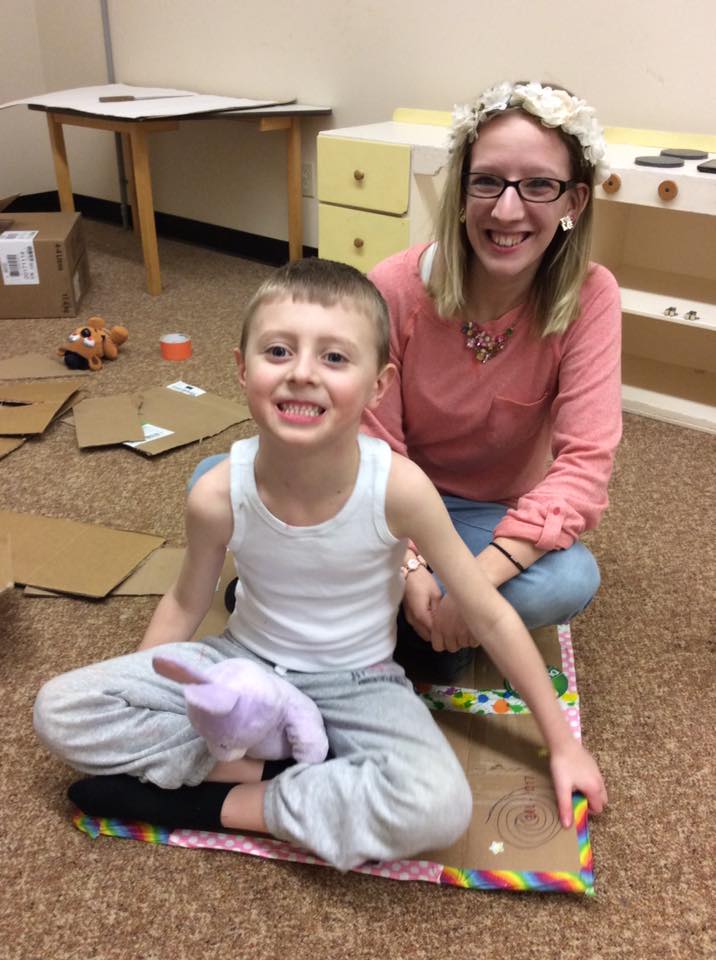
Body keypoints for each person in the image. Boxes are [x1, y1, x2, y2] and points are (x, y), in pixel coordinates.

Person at [34, 258, 607, 873]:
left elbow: (488, 614)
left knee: (438, 807)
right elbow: (184, 602)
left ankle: (217, 802)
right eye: (278, 351)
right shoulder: (217, 492)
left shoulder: (400, 488)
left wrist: (562, 745)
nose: (302, 373)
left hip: (358, 682)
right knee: (59, 711)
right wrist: (150, 689)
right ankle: (288, 766)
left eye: (334, 358)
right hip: (243, 662)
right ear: (242, 368)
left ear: (379, 386)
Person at [362, 80, 623, 682]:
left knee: (569, 579)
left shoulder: (592, 296)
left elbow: (584, 465)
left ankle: (374, 617)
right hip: (390, 505)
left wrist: (475, 585)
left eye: (538, 185)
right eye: (487, 182)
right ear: (460, 191)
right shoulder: (394, 286)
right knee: (224, 484)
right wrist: (408, 566)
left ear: (574, 201)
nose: (507, 211)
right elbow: (372, 450)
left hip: (486, 517)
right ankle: (432, 631)